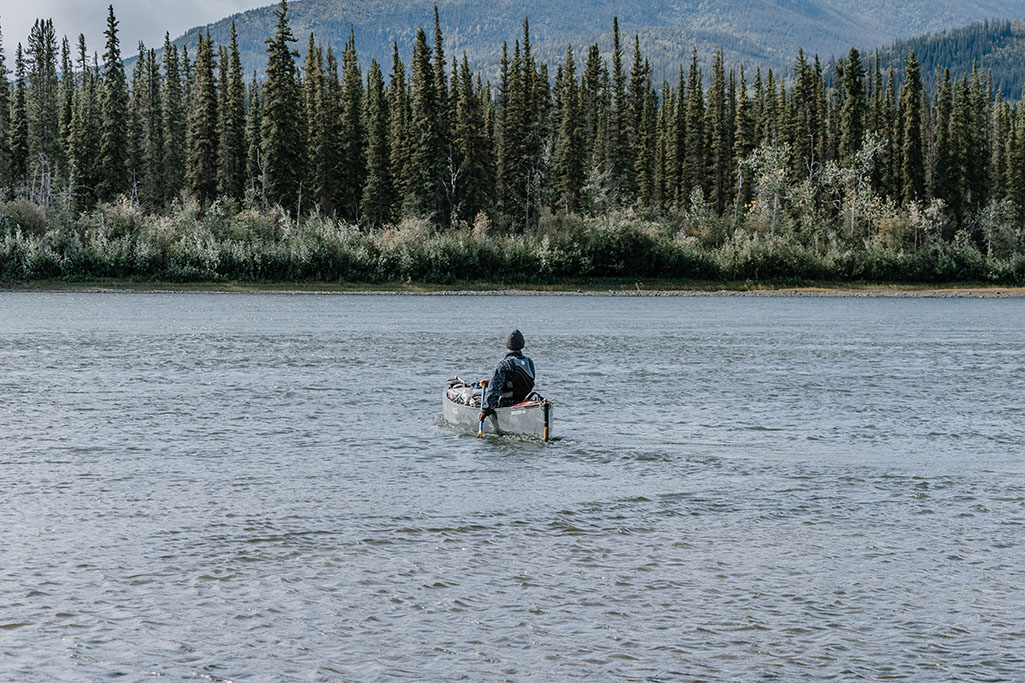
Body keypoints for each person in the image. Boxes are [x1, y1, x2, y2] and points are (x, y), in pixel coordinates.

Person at [477, 329, 536, 422]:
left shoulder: (505, 364)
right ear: (522, 345)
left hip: (507, 404)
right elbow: (519, 381)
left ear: (507, 345)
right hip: (524, 401)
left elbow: (494, 390)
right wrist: (490, 381)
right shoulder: (529, 362)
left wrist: (485, 410)